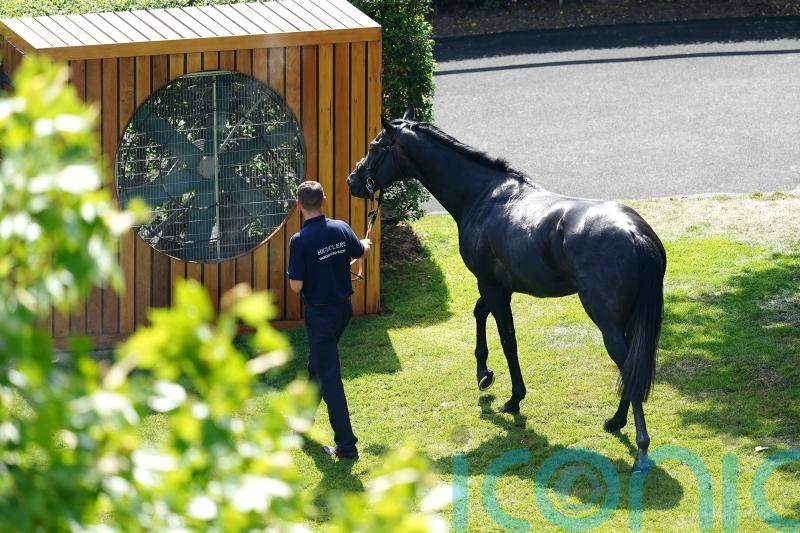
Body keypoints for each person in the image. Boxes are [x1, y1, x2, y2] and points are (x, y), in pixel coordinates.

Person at [287, 181, 371, 459]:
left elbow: (296, 286)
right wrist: (365, 244)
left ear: (299, 206)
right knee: (317, 363)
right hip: (342, 311)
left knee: (329, 375)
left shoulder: (299, 241)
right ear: (323, 200)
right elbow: (359, 251)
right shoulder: (341, 227)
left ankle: (346, 445)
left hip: (320, 315)